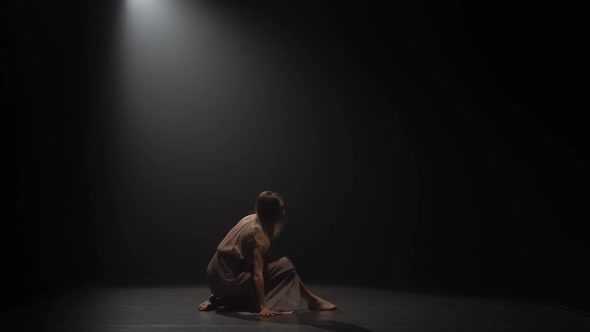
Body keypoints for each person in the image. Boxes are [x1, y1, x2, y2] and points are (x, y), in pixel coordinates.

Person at [198, 190, 338, 317]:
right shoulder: (260, 236)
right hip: (226, 279)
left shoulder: (250, 218)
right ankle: (313, 301)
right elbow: (258, 274)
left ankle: (219, 298)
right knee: (285, 265)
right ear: (272, 213)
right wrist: (263, 307)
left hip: (213, 275)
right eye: (281, 210)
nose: (285, 212)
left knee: (266, 274)